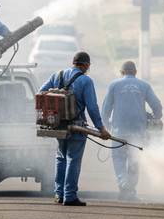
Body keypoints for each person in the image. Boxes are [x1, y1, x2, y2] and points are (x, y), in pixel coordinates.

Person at [39, 52, 111, 206]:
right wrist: (101, 128)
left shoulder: (57, 76)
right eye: (88, 66)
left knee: (61, 158)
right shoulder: (86, 81)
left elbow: (41, 93)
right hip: (77, 126)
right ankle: (70, 196)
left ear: (73, 62)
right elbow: (92, 107)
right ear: (85, 65)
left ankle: (59, 194)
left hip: (58, 125)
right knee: (73, 159)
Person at [101, 61, 162, 201]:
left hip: (118, 130)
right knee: (135, 159)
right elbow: (156, 104)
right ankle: (131, 190)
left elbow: (106, 108)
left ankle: (123, 185)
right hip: (138, 130)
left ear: (121, 73)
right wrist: (157, 116)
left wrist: (106, 125)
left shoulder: (114, 85)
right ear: (135, 72)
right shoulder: (144, 85)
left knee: (118, 157)